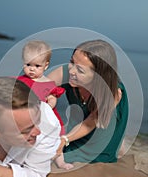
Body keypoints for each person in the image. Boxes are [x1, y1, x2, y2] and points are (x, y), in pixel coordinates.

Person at [47, 39, 128, 167]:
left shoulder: (112, 92)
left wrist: (65, 139)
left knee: (93, 158)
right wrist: (50, 95)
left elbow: (90, 122)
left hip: (98, 124)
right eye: (72, 62)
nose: (72, 71)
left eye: (80, 70)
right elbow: (37, 89)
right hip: (78, 123)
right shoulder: (66, 73)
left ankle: (119, 142)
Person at [17, 40, 65, 136]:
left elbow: (52, 98)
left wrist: (48, 107)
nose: (31, 68)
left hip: (43, 117)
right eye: (28, 64)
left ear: (46, 66)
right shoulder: (19, 81)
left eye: (37, 66)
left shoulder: (48, 84)